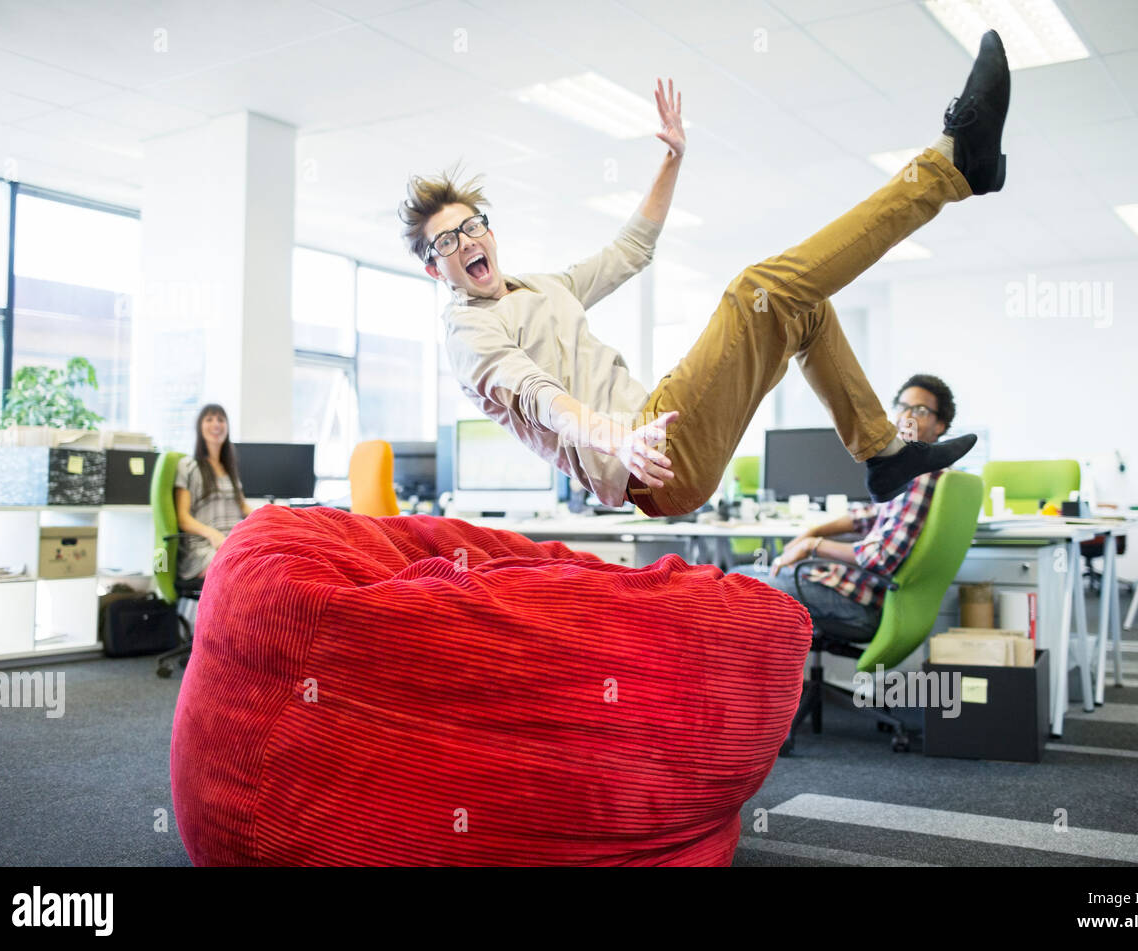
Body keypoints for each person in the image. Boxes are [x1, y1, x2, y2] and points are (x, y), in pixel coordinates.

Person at [402, 32, 1010, 515]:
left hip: (660, 433)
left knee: (802, 310)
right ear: (436, 269)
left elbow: (629, 250)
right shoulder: (467, 333)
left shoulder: (540, 289)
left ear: (489, 229)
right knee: (758, 289)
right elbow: (539, 398)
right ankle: (951, 165)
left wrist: (671, 160)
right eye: (447, 242)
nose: (467, 242)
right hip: (646, 459)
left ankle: (884, 453)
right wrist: (615, 439)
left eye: (473, 225)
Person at [732, 374, 962, 639]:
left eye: (920, 410)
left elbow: (882, 556)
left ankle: (750, 678)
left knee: (735, 582)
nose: (906, 416)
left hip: (857, 601)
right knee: (743, 576)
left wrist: (812, 546)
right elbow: (875, 513)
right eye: (902, 406)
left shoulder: (922, 475)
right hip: (851, 589)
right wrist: (814, 531)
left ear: (940, 425)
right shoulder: (917, 472)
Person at [173, 403, 253, 582]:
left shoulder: (229, 470)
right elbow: (182, 517)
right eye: (209, 419)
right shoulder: (188, 466)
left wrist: (272, 517)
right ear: (199, 427)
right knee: (243, 574)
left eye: (221, 419)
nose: (216, 424)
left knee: (265, 565)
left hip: (232, 545)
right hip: (204, 549)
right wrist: (212, 534)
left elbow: (244, 507)